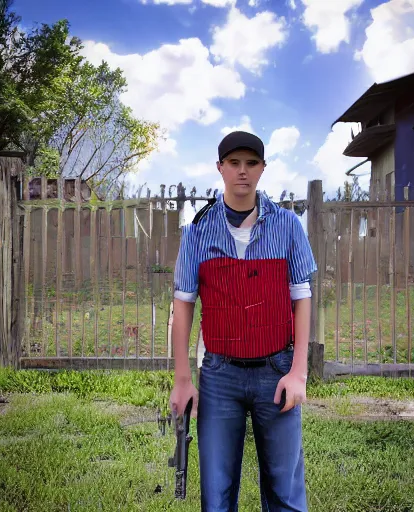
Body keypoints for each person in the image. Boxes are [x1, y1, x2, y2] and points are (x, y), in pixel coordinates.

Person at [169, 130, 317, 512]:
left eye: (251, 163)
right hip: (220, 376)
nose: (242, 171)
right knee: (216, 494)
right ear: (220, 168)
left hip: (276, 369)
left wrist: (298, 372)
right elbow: (183, 305)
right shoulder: (197, 232)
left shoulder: (288, 226)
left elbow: (303, 299)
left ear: (263, 169)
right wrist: (183, 380)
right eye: (234, 163)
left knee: (285, 491)